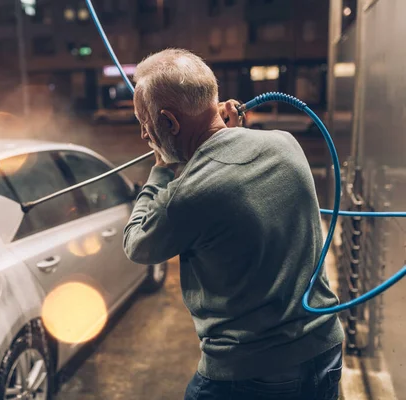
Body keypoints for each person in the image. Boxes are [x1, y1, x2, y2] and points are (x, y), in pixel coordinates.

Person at [122, 48, 345, 400]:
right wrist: (223, 134)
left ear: (169, 122)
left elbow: (137, 244)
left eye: (145, 123)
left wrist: (162, 167)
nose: (143, 135)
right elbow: (229, 161)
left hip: (249, 374)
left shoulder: (188, 195)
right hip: (324, 353)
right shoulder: (286, 145)